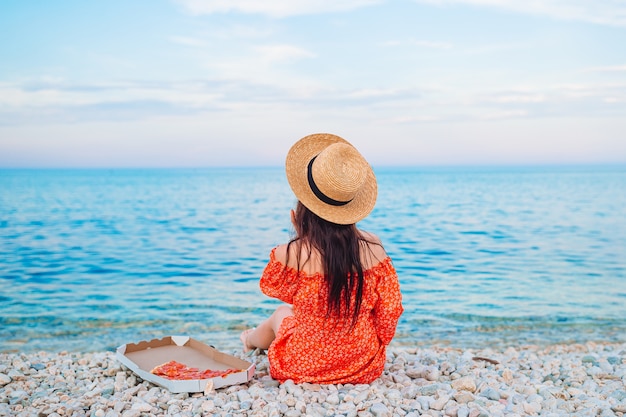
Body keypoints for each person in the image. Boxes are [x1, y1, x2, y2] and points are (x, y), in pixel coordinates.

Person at [240, 133, 403, 385]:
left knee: (282, 313)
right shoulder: (373, 247)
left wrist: (300, 236)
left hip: (302, 367)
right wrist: (375, 345)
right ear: (351, 207)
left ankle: (249, 340)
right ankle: (251, 338)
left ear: (302, 209)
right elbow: (388, 312)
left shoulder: (290, 253)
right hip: (361, 366)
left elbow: (284, 293)